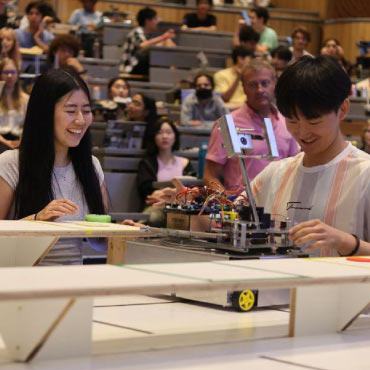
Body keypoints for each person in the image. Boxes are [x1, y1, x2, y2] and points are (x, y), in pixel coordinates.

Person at [250, 55, 370, 257]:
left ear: (342, 109)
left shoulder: (364, 174)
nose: (302, 132)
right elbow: (221, 218)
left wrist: (346, 242)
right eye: (292, 120)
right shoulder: (274, 174)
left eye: (313, 120)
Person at [0, 68, 107, 265]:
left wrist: (124, 232)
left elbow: (99, 242)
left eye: (86, 110)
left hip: (73, 286)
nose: (81, 120)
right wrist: (36, 220)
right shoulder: (10, 163)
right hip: (20, 283)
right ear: (45, 113)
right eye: (70, 110)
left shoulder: (92, 166)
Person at [204, 59, 298, 193]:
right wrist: (226, 199)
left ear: (275, 84)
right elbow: (211, 175)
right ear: (243, 88)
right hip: (241, 206)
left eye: (265, 83)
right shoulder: (227, 125)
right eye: (253, 85)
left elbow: (294, 169)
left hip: (279, 206)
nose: (260, 90)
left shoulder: (287, 122)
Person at [137, 118, 195, 226]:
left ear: (175, 136)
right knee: (153, 218)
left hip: (182, 206)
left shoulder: (185, 163)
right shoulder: (147, 163)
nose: (164, 136)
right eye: (159, 132)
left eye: (168, 132)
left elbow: (192, 189)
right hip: (157, 206)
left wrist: (169, 196)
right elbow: (146, 190)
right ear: (153, 137)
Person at [121, 7, 175, 75]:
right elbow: (142, 45)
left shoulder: (148, 35)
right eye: (155, 19)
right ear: (148, 21)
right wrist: (163, 37)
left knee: (167, 42)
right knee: (162, 44)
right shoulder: (136, 32)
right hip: (131, 66)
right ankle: (171, 72)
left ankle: (172, 71)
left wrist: (165, 39)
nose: (158, 21)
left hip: (142, 65)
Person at [0, 57, 29, 151]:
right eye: (5, 72)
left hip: (19, 141)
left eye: (13, 72)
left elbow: (28, 125)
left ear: (17, 74)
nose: (9, 75)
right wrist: (5, 142)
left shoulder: (26, 99)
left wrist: (21, 141)